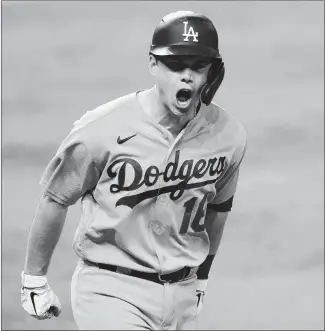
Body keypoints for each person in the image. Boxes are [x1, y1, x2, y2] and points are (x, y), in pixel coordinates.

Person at [21, 10, 247, 330]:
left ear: (212, 71)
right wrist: (34, 279)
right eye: (175, 65)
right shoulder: (100, 129)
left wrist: (202, 279)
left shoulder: (229, 135)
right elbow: (55, 197)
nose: (187, 76)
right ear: (153, 64)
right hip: (110, 290)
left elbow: (218, 209)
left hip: (183, 295)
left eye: (198, 66)